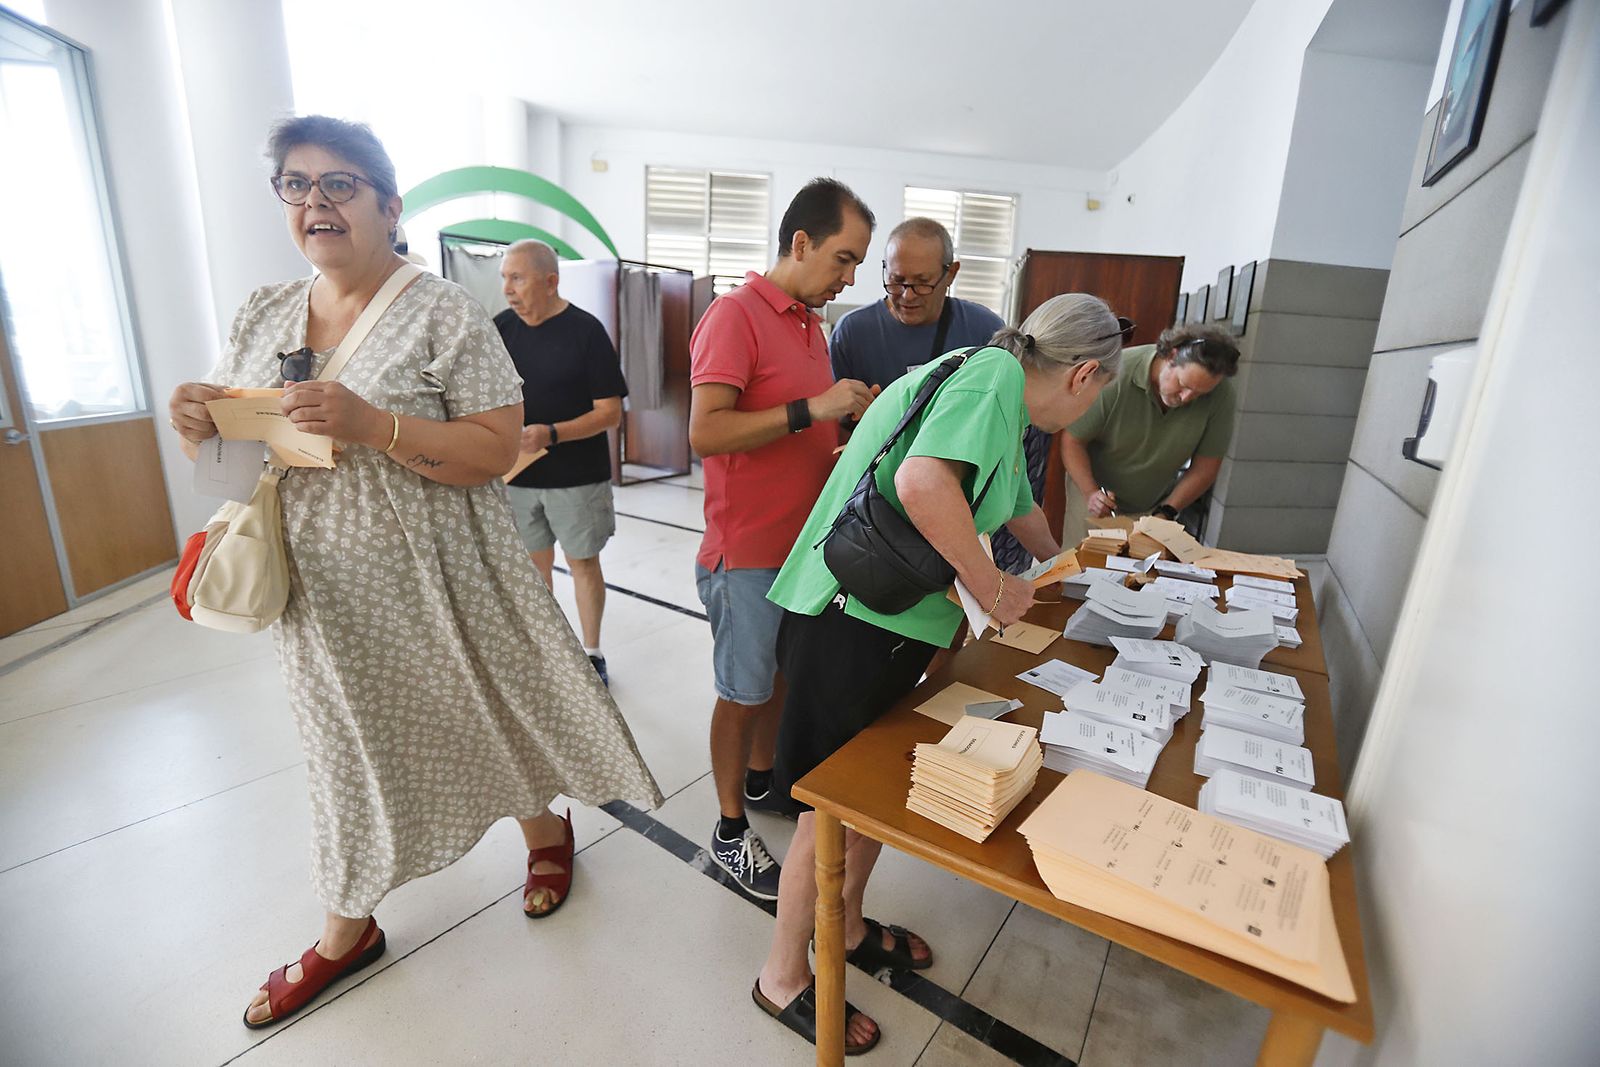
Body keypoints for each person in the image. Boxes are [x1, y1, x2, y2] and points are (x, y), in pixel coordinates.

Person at [166, 116, 661, 1029]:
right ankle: (348, 926)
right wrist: (202, 421)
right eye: (295, 184)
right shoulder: (263, 313)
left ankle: (547, 830)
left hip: (442, 579)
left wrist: (374, 425)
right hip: (318, 599)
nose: (315, 202)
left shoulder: (441, 310)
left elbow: (495, 449)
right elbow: (243, 462)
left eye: (339, 184)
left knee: (488, 708)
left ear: (389, 206)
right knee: (342, 751)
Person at [753, 294, 1124, 1054]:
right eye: (1099, 394)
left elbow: (1017, 508)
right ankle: (781, 974)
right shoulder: (990, 376)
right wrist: (994, 588)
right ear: (1085, 374)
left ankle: (847, 925)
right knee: (828, 810)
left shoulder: (997, 390)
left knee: (868, 791)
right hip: (847, 621)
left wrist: (1067, 573)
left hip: (883, 626)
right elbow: (924, 485)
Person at [688, 178, 877, 902]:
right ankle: (730, 830)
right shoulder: (734, 315)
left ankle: (762, 782)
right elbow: (707, 431)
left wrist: (845, 426)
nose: (851, 276)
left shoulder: (810, 324)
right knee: (742, 690)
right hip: (747, 551)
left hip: (804, 548)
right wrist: (811, 408)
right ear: (800, 243)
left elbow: (801, 425)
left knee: (778, 679)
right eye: (843, 258)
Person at [496, 238, 627, 685]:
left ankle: (591, 653)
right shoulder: (500, 330)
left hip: (577, 478)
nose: (508, 289)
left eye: (518, 277)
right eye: (504, 278)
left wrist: (551, 433)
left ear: (550, 282)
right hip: (517, 477)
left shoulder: (586, 331)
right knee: (533, 569)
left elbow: (610, 412)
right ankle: (547, 653)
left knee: (582, 563)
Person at [1060, 322, 1240, 545]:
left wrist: (1167, 511)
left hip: (1156, 503)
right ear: (1171, 356)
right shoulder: (1117, 372)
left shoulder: (1221, 395)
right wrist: (1090, 493)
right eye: (1183, 384)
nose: (1186, 398)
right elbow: (1073, 441)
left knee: (1141, 575)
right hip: (1095, 493)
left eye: (1199, 394)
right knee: (1081, 569)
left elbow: (1206, 467)